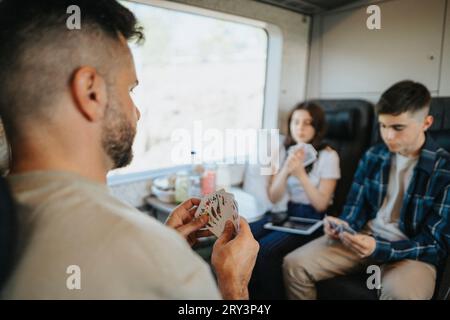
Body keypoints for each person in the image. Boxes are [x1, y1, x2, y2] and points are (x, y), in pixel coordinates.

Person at [0, 0, 259, 299]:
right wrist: (234, 286)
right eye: (129, 89)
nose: (137, 112)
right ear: (91, 92)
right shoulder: (163, 265)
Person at [283, 80, 450, 300]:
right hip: (364, 237)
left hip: (411, 253)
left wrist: (379, 248)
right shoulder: (374, 155)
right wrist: (343, 225)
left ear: (426, 123)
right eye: (383, 126)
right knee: (294, 265)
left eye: (398, 127)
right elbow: (354, 207)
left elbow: (436, 245)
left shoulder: (444, 169)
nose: (388, 136)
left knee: (402, 295)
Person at [249, 102, 340, 299]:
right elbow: (274, 196)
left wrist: (301, 175)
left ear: (317, 127)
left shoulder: (328, 156)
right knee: (246, 237)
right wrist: (286, 170)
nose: (300, 127)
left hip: (314, 219)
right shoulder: (282, 150)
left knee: (265, 251)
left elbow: (321, 204)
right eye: (296, 122)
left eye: (307, 123)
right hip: (286, 213)